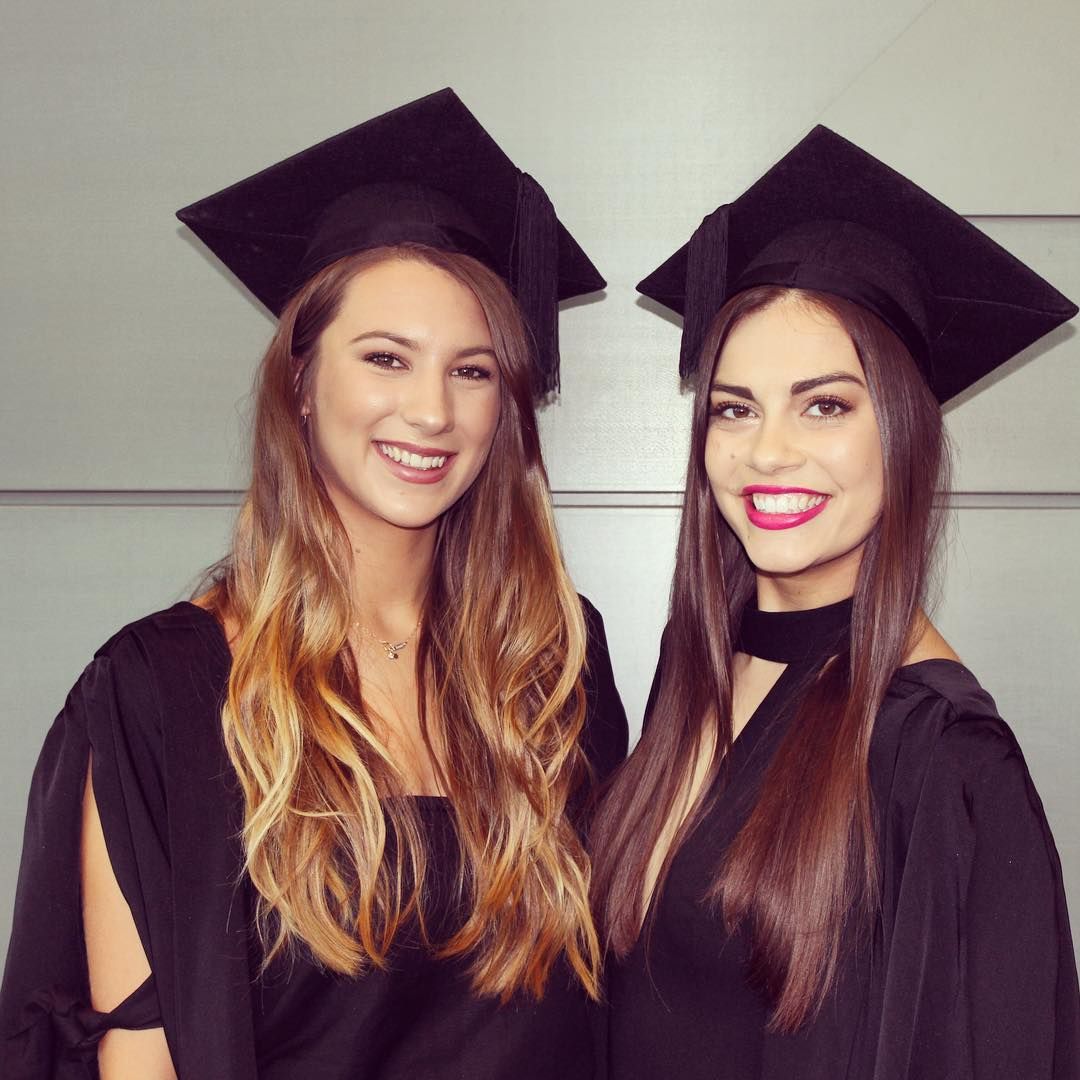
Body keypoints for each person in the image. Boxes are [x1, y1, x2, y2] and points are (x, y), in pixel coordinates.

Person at [0, 89, 627, 1080]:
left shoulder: (555, 667)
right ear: (300, 381)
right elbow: (139, 1055)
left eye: (471, 371)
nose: (431, 411)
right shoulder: (162, 691)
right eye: (385, 358)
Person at [590, 126, 1080, 1078]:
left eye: (825, 405)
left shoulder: (943, 760)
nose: (768, 452)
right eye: (735, 408)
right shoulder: (698, 665)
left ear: (902, 431)